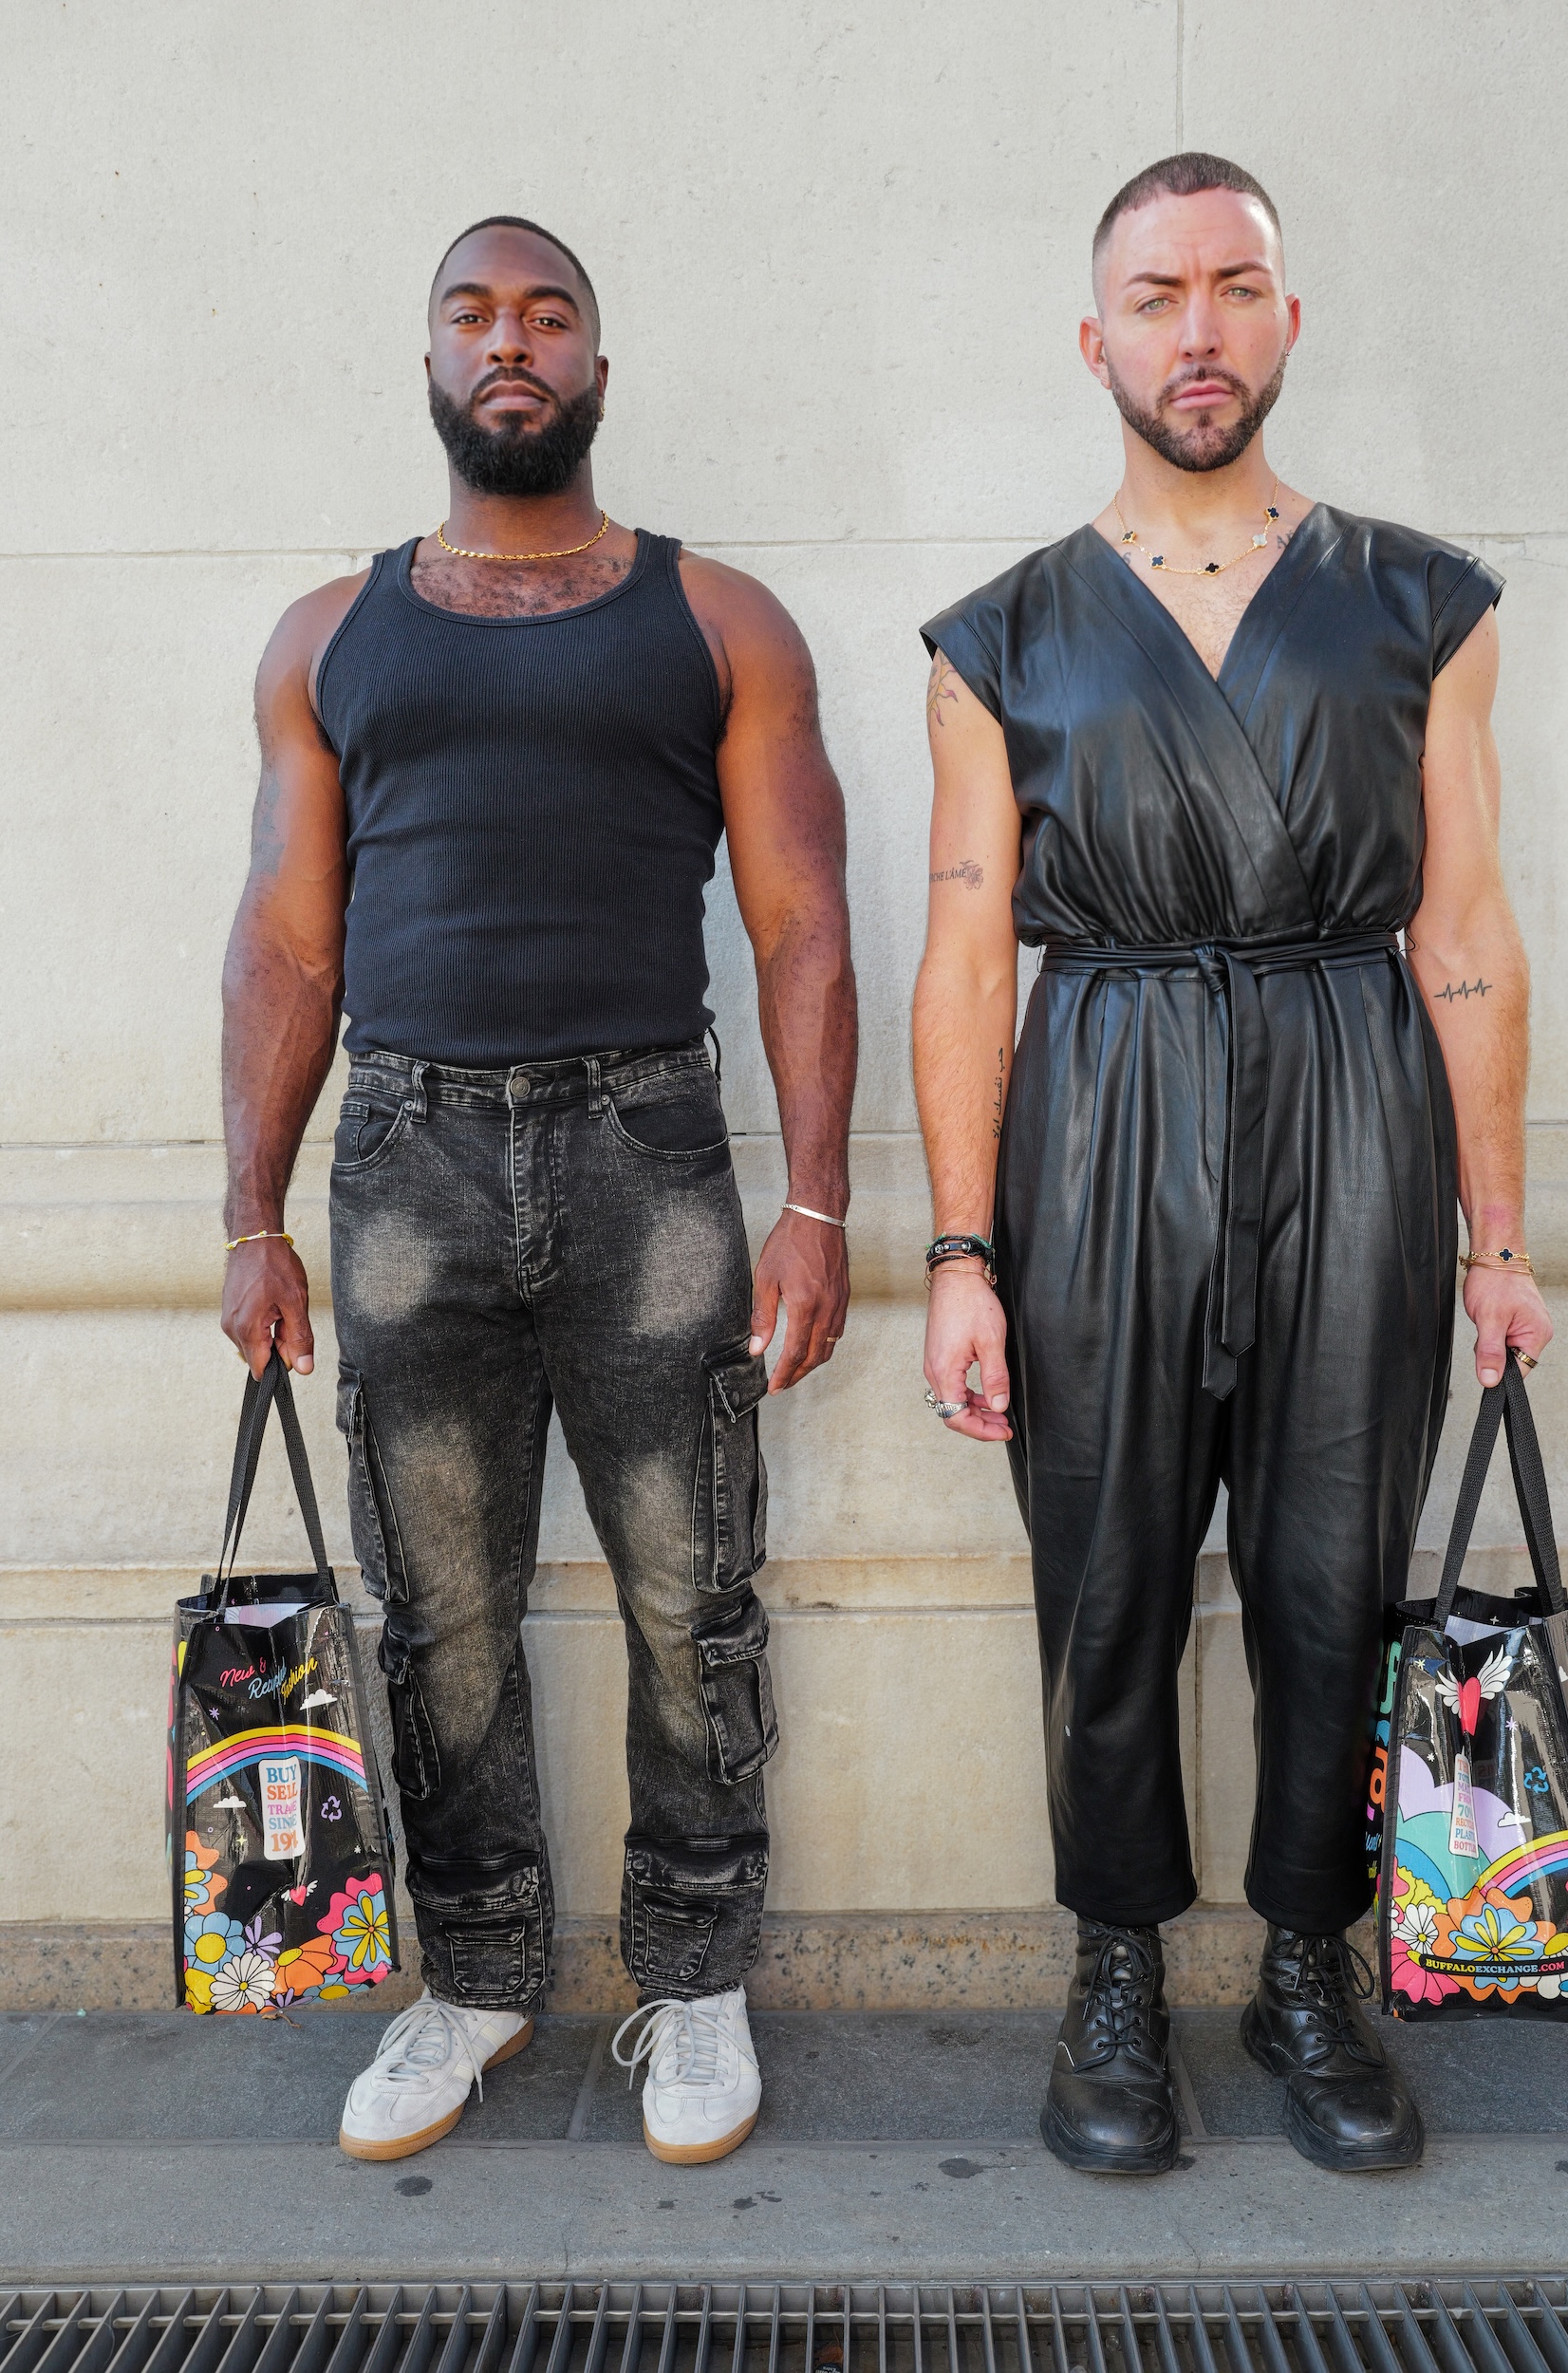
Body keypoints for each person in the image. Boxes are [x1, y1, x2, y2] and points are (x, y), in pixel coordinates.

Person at [912, 153, 1552, 2177]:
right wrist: (954, 1248)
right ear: (1088, 335)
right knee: (1098, 1564)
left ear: (1287, 319)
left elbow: (1458, 923)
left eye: (1235, 286)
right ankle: (1110, 1966)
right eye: (1156, 292)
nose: (1198, 327)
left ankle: (1305, 1961)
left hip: (1347, 1088)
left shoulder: (1416, 602)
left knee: (1325, 1565)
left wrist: (1496, 1236)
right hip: (1094, 1098)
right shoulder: (994, 634)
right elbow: (955, 944)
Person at [220, 215, 856, 2166]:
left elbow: (802, 923)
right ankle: (478, 1977)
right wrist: (249, 1210)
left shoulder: (716, 618)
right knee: (444, 1615)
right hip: (402, 1159)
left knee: (694, 1595)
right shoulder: (330, 633)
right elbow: (286, 940)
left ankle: (691, 1977)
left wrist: (818, 1201)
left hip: (647, 1147)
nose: (512, 341)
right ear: (430, 363)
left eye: (548, 315)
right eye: (474, 313)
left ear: (596, 367)